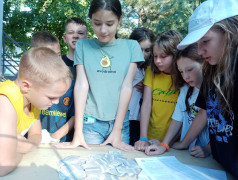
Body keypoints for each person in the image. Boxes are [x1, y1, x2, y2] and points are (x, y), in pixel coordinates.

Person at [55, 0, 144, 151]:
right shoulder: (83, 46)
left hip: (120, 124)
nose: (103, 30)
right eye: (97, 23)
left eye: (109, 24)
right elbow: (82, 85)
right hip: (90, 124)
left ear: (120, 19)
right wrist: (77, 132)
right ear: (91, 20)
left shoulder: (132, 47)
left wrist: (117, 129)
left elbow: (127, 87)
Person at [176, 0, 238, 178]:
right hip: (219, 168)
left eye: (205, 40)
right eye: (197, 43)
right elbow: (205, 111)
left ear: (231, 32)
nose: (200, 50)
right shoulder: (212, 72)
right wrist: (185, 142)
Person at [0, 47, 72, 176]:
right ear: (26, 86)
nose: (56, 102)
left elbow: (36, 135)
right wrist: (19, 150)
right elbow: (3, 166)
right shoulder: (5, 101)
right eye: (51, 97)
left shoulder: (34, 102)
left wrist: (27, 145)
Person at [145, 44, 210, 158]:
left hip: (210, 158)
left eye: (189, 69)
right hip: (188, 154)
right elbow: (178, 118)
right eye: (181, 71)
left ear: (205, 63)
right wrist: (164, 144)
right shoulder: (185, 90)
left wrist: (209, 148)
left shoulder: (215, 90)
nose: (186, 76)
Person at [134, 30, 182, 152]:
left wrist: (166, 143)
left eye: (163, 56)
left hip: (174, 140)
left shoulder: (184, 76)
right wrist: (143, 137)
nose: (158, 61)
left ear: (175, 55)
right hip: (150, 137)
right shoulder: (151, 71)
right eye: (155, 56)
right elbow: (146, 104)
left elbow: (183, 115)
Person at [31, 31, 75, 143]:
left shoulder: (69, 82)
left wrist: (55, 136)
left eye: (58, 55)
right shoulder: (28, 84)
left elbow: (76, 115)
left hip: (61, 142)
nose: (56, 61)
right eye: (49, 56)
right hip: (34, 140)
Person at [128, 27, 155, 146]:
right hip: (126, 118)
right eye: (139, 50)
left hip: (144, 122)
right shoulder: (125, 67)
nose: (142, 55)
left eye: (147, 50)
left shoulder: (152, 70)